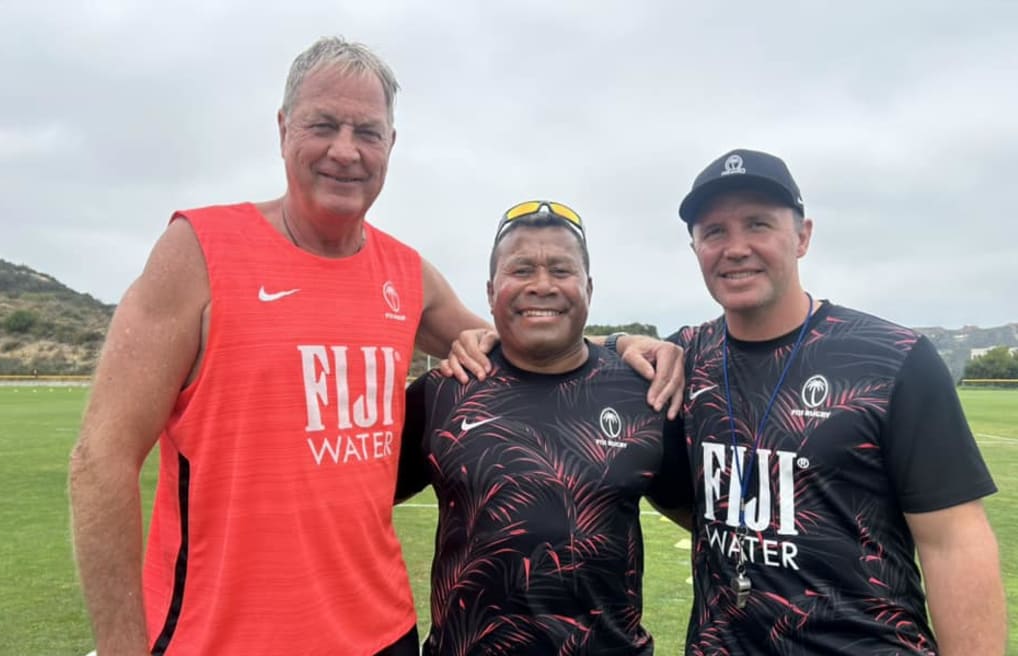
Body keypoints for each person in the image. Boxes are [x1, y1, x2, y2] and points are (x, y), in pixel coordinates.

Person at [67, 37, 495, 656]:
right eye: (323, 125)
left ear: (391, 146)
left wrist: (625, 347)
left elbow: (521, 350)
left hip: (384, 635)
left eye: (368, 133)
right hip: (218, 639)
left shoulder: (406, 275)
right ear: (283, 128)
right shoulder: (199, 252)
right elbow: (99, 461)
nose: (345, 151)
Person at [671, 148, 1006, 654]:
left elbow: (954, 542)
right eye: (714, 231)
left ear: (802, 236)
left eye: (758, 224)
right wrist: (625, 342)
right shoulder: (683, 357)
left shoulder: (892, 358)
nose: (735, 248)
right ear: (695, 246)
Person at [397, 200, 692, 654]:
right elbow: (361, 503)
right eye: (521, 270)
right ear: (492, 288)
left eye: (560, 270)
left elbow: (703, 521)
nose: (542, 285)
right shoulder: (444, 391)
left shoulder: (644, 394)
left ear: (588, 288)